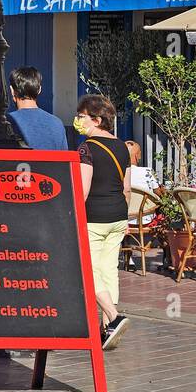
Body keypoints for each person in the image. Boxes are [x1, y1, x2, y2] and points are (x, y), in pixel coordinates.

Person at [75, 94, 131, 350]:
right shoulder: (122, 146)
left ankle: (114, 316)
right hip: (118, 216)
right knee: (108, 270)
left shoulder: (86, 148)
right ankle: (109, 326)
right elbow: (127, 188)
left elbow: (82, 189)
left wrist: (73, 215)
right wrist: (126, 217)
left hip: (93, 218)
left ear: (96, 120)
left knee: (88, 271)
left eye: (82, 116)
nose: (78, 120)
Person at [7, 66, 67, 150]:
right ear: (39, 90)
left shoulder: (6, 123)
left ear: (12, 91)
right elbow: (64, 160)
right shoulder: (57, 124)